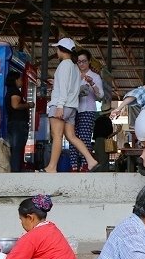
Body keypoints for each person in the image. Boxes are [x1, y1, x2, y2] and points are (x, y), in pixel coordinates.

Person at [42, 37, 102, 173]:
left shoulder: (64, 65)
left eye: (58, 48)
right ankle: (91, 161)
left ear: (62, 50)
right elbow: (73, 88)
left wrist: (59, 105)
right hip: (72, 107)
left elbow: (64, 88)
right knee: (71, 136)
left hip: (61, 104)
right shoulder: (75, 68)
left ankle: (51, 167)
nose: (56, 51)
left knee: (57, 136)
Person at [5, 195, 84, 259]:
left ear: (30, 218)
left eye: (22, 220)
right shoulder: (52, 228)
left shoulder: (31, 237)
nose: (21, 223)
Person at [71, 49, 104, 172]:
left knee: (84, 138)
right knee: (72, 137)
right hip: (73, 110)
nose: (81, 64)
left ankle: (85, 165)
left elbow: (100, 96)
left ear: (89, 61)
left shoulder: (95, 76)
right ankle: (74, 166)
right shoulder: (74, 76)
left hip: (87, 110)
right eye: (79, 62)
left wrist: (92, 84)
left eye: (84, 61)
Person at [4, 71, 34, 172]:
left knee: (14, 147)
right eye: (20, 79)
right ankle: (15, 171)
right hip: (18, 123)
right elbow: (15, 105)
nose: (21, 81)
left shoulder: (9, 91)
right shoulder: (15, 91)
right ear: (15, 80)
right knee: (17, 148)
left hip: (13, 122)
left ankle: (14, 169)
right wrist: (28, 105)